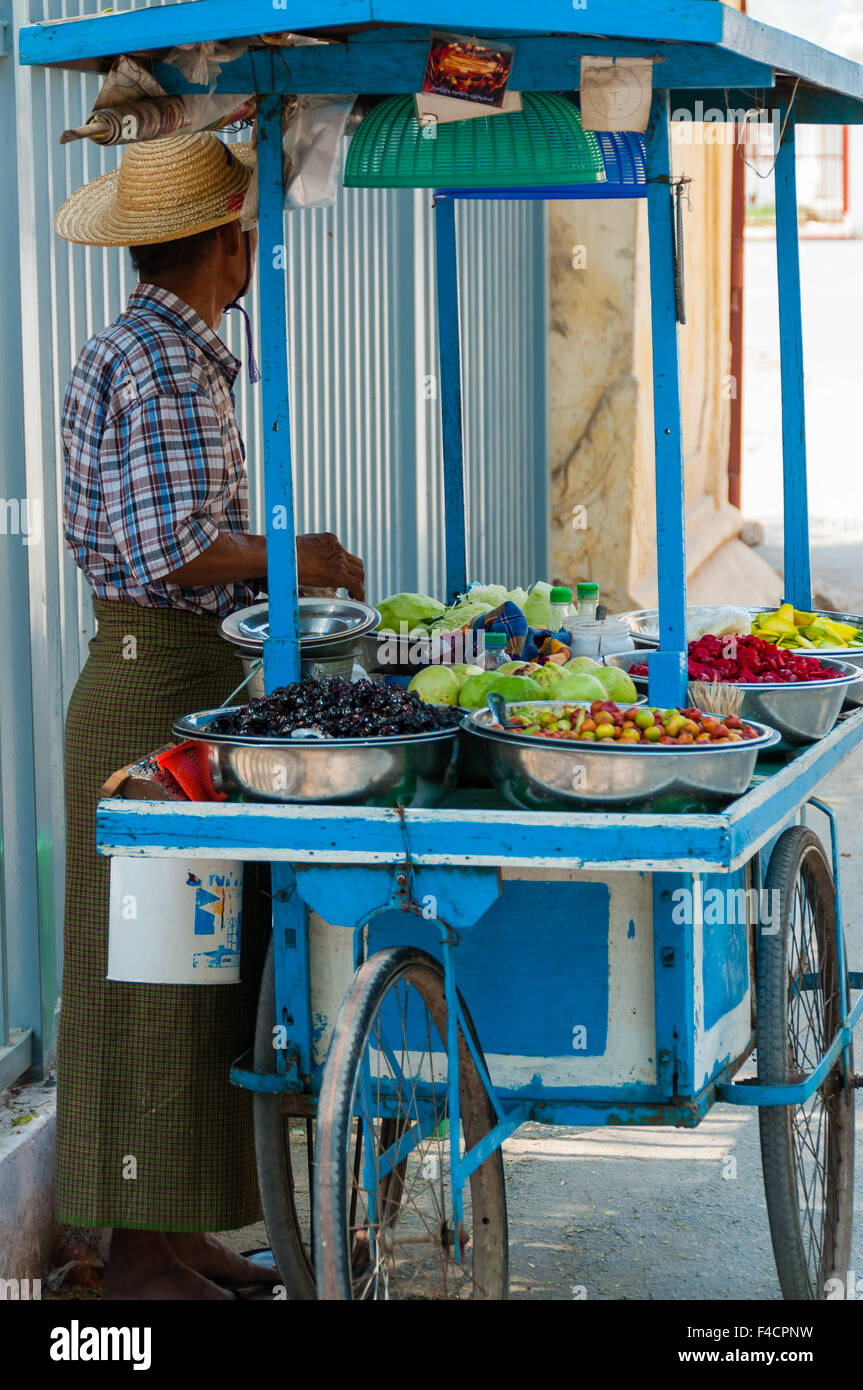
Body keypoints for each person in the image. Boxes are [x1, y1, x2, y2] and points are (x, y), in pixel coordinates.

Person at [54, 132, 364, 1300]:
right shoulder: (166, 362)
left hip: (174, 678)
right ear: (225, 244)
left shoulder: (158, 346)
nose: (253, 256)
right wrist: (310, 555)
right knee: (149, 973)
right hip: (150, 684)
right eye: (246, 237)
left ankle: (175, 1236)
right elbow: (176, 549)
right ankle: (132, 1261)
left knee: (197, 964)